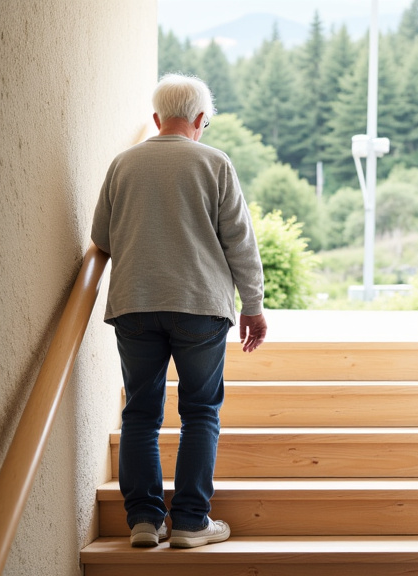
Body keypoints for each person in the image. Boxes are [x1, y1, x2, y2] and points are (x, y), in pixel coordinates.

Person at [90, 73, 267, 549]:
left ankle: (145, 522)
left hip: (135, 303)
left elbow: (102, 238)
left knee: (141, 414)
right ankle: (190, 522)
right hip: (200, 306)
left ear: (156, 119)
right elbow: (240, 243)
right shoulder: (215, 163)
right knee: (200, 412)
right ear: (200, 119)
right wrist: (254, 306)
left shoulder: (122, 164)